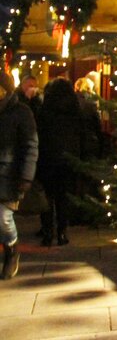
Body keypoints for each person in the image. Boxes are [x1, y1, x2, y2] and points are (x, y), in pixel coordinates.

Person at [37, 78, 92, 246]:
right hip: (68, 158)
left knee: (47, 197)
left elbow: (39, 134)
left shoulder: (45, 111)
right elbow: (83, 136)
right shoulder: (75, 112)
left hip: (48, 157)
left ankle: (48, 232)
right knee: (63, 197)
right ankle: (62, 232)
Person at [0, 71, 38, 279]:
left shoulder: (20, 112)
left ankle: (11, 248)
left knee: (3, 218)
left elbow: (30, 143)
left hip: (8, 174)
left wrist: (26, 175)